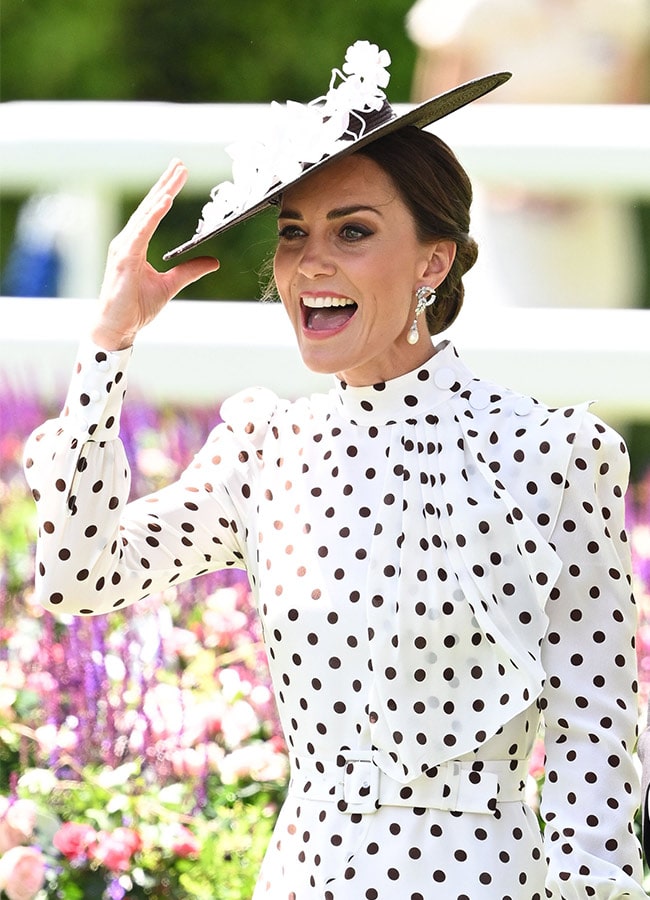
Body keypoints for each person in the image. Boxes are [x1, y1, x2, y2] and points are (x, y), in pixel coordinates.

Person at [23, 40, 645, 898]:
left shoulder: (548, 454)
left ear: (435, 259)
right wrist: (109, 344)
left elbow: (594, 724)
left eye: (352, 231)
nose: (311, 264)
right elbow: (75, 576)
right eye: (292, 236)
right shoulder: (264, 450)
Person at [405, 0, 650, 310]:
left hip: (590, 216)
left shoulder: (622, 11)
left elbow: (625, 115)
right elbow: (440, 119)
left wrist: (577, 184)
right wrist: (513, 186)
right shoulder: (469, 11)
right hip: (497, 216)